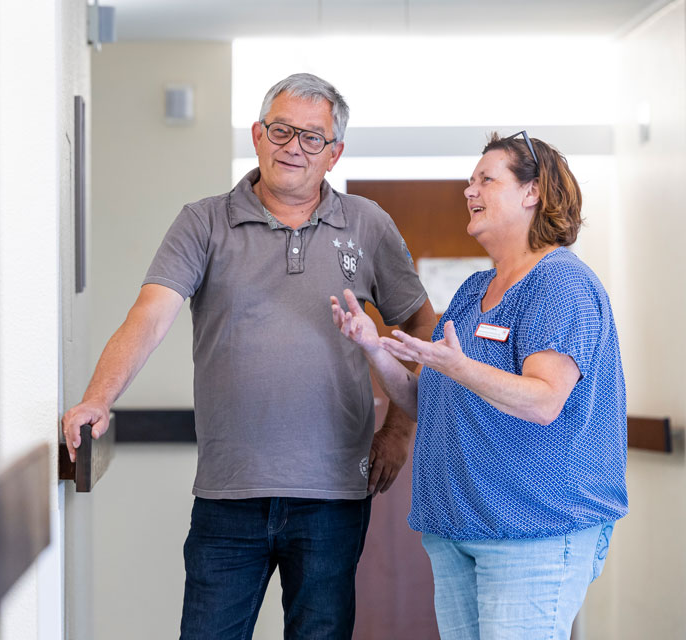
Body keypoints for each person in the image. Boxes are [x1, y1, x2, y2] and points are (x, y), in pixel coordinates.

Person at [62, 73, 435, 639]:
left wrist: (400, 431)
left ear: (334, 154)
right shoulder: (202, 221)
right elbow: (150, 316)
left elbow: (424, 335)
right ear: (259, 135)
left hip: (334, 495)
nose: (294, 146)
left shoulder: (369, 225)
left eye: (313, 137)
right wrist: (97, 398)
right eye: (282, 130)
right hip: (228, 494)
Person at [331, 131, 628, 640]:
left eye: (486, 179)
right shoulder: (473, 291)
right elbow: (425, 402)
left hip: (533, 530)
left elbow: (544, 400)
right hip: (458, 530)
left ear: (532, 192)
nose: (469, 191)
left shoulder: (560, 284)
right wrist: (372, 345)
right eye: (469, 181)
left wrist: (459, 367)